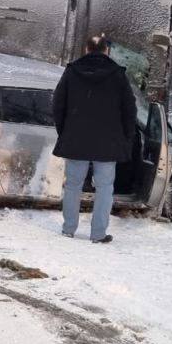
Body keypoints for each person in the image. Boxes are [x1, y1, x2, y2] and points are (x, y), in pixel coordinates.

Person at [52, 34, 138, 243]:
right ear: (106, 52)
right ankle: (98, 233)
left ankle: (69, 228)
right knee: (105, 188)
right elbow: (130, 110)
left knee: (73, 184)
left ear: (87, 50)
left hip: (76, 139)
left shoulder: (72, 72)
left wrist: (65, 131)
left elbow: (57, 105)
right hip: (108, 144)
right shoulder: (118, 75)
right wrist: (127, 137)